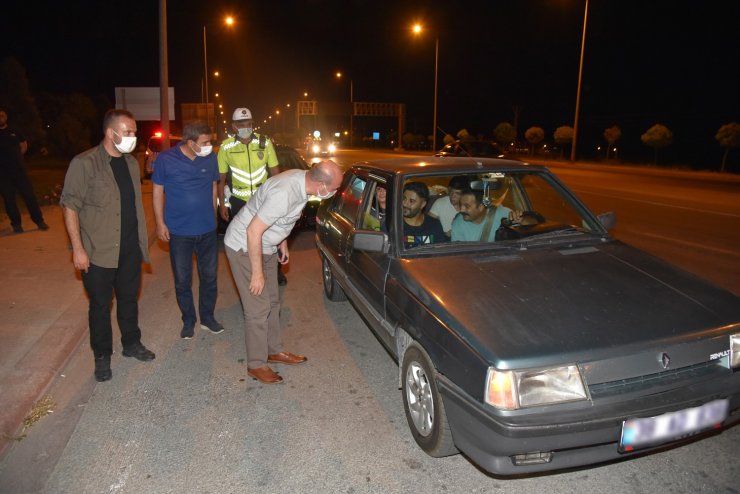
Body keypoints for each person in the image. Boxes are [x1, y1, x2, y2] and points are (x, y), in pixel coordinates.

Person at [224, 160, 343, 384]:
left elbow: (283, 218)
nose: (335, 192)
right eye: (334, 188)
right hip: (245, 246)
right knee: (258, 308)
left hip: (266, 245)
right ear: (320, 184)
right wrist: (257, 273)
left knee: (273, 301)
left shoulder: (303, 183)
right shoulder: (285, 192)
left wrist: (282, 242)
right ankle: (256, 365)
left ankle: (273, 350)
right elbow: (253, 231)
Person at [60, 109, 155, 382]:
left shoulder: (132, 164)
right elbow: (69, 206)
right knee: (100, 306)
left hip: (128, 250)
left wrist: (140, 243)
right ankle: (101, 356)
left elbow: (133, 206)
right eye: (127, 132)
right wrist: (77, 249)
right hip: (98, 253)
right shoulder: (84, 163)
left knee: (128, 300)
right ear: (110, 133)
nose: (132, 137)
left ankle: (131, 344)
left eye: (134, 132)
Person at [152, 121, 224, 339]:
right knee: (183, 280)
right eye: (204, 142)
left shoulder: (210, 158)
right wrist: (159, 223)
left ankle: (207, 318)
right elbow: (157, 193)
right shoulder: (166, 159)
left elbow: (213, 189)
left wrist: (213, 219)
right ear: (190, 143)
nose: (209, 145)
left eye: (209, 141)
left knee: (209, 277)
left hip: (207, 230)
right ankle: (188, 320)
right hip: (179, 232)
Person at [217, 107, 287, 285]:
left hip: (263, 200)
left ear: (252, 124)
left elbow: (275, 173)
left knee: (270, 236)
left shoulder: (265, 143)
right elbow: (221, 179)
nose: (245, 127)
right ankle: (249, 273)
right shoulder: (226, 147)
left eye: (248, 123)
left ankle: (275, 271)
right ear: (234, 126)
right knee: (243, 240)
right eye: (241, 124)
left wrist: (279, 198)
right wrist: (223, 204)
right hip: (239, 201)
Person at [0, 108, 49, 233]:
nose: (1, 117)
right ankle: (16, 225)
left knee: (29, 197)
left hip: (19, 171)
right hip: (3, 175)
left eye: (2, 115)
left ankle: (39, 221)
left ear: (6, 117)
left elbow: (23, 145)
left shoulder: (14, 131)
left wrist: (17, 159)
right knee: (9, 200)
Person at [451, 188, 522, 242]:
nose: (461, 210)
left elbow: (528, 227)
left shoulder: (502, 213)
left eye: (467, 206)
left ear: (481, 207)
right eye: (461, 205)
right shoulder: (458, 223)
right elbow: (460, 255)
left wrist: (521, 219)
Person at [402, 181, 445, 248]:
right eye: (404, 198)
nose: (404, 204)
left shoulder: (434, 225)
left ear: (422, 204)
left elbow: (440, 253)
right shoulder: (393, 224)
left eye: (411, 201)